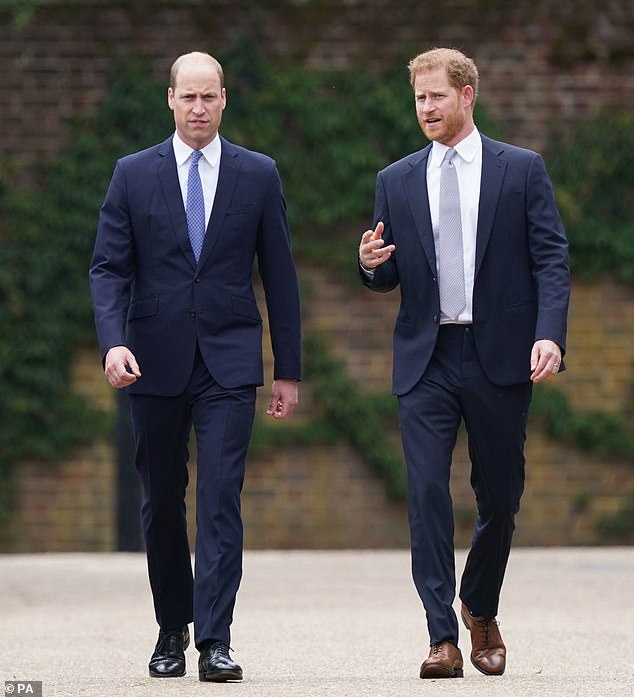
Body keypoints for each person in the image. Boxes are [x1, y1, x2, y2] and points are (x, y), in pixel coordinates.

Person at [89, 51, 301, 682]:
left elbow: (281, 278)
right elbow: (108, 268)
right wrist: (111, 342)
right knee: (160, 500)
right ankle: (170, 628)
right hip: (151, 360)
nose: (200, 108)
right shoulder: (132, 175)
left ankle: (215, 639)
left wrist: (287, 369)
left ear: (224, 100)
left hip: (230, 362)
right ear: (171, 100)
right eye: (189, 97)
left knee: (219, 500)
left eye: (210, 97)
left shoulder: (257, 175)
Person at [358, 47, 569, 679]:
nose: (425, 108)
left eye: (436, 97)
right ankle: (441, 637)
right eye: (419, 98)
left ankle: (479, 606)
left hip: (499, 354)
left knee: (499, 497)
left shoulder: (521, 170)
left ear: (467, 95)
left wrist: (550, 335)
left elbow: (551, 259)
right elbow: (389, 269)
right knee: (424, 492)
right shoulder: (395, 179)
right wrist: (371, 265)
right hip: (426, 358)